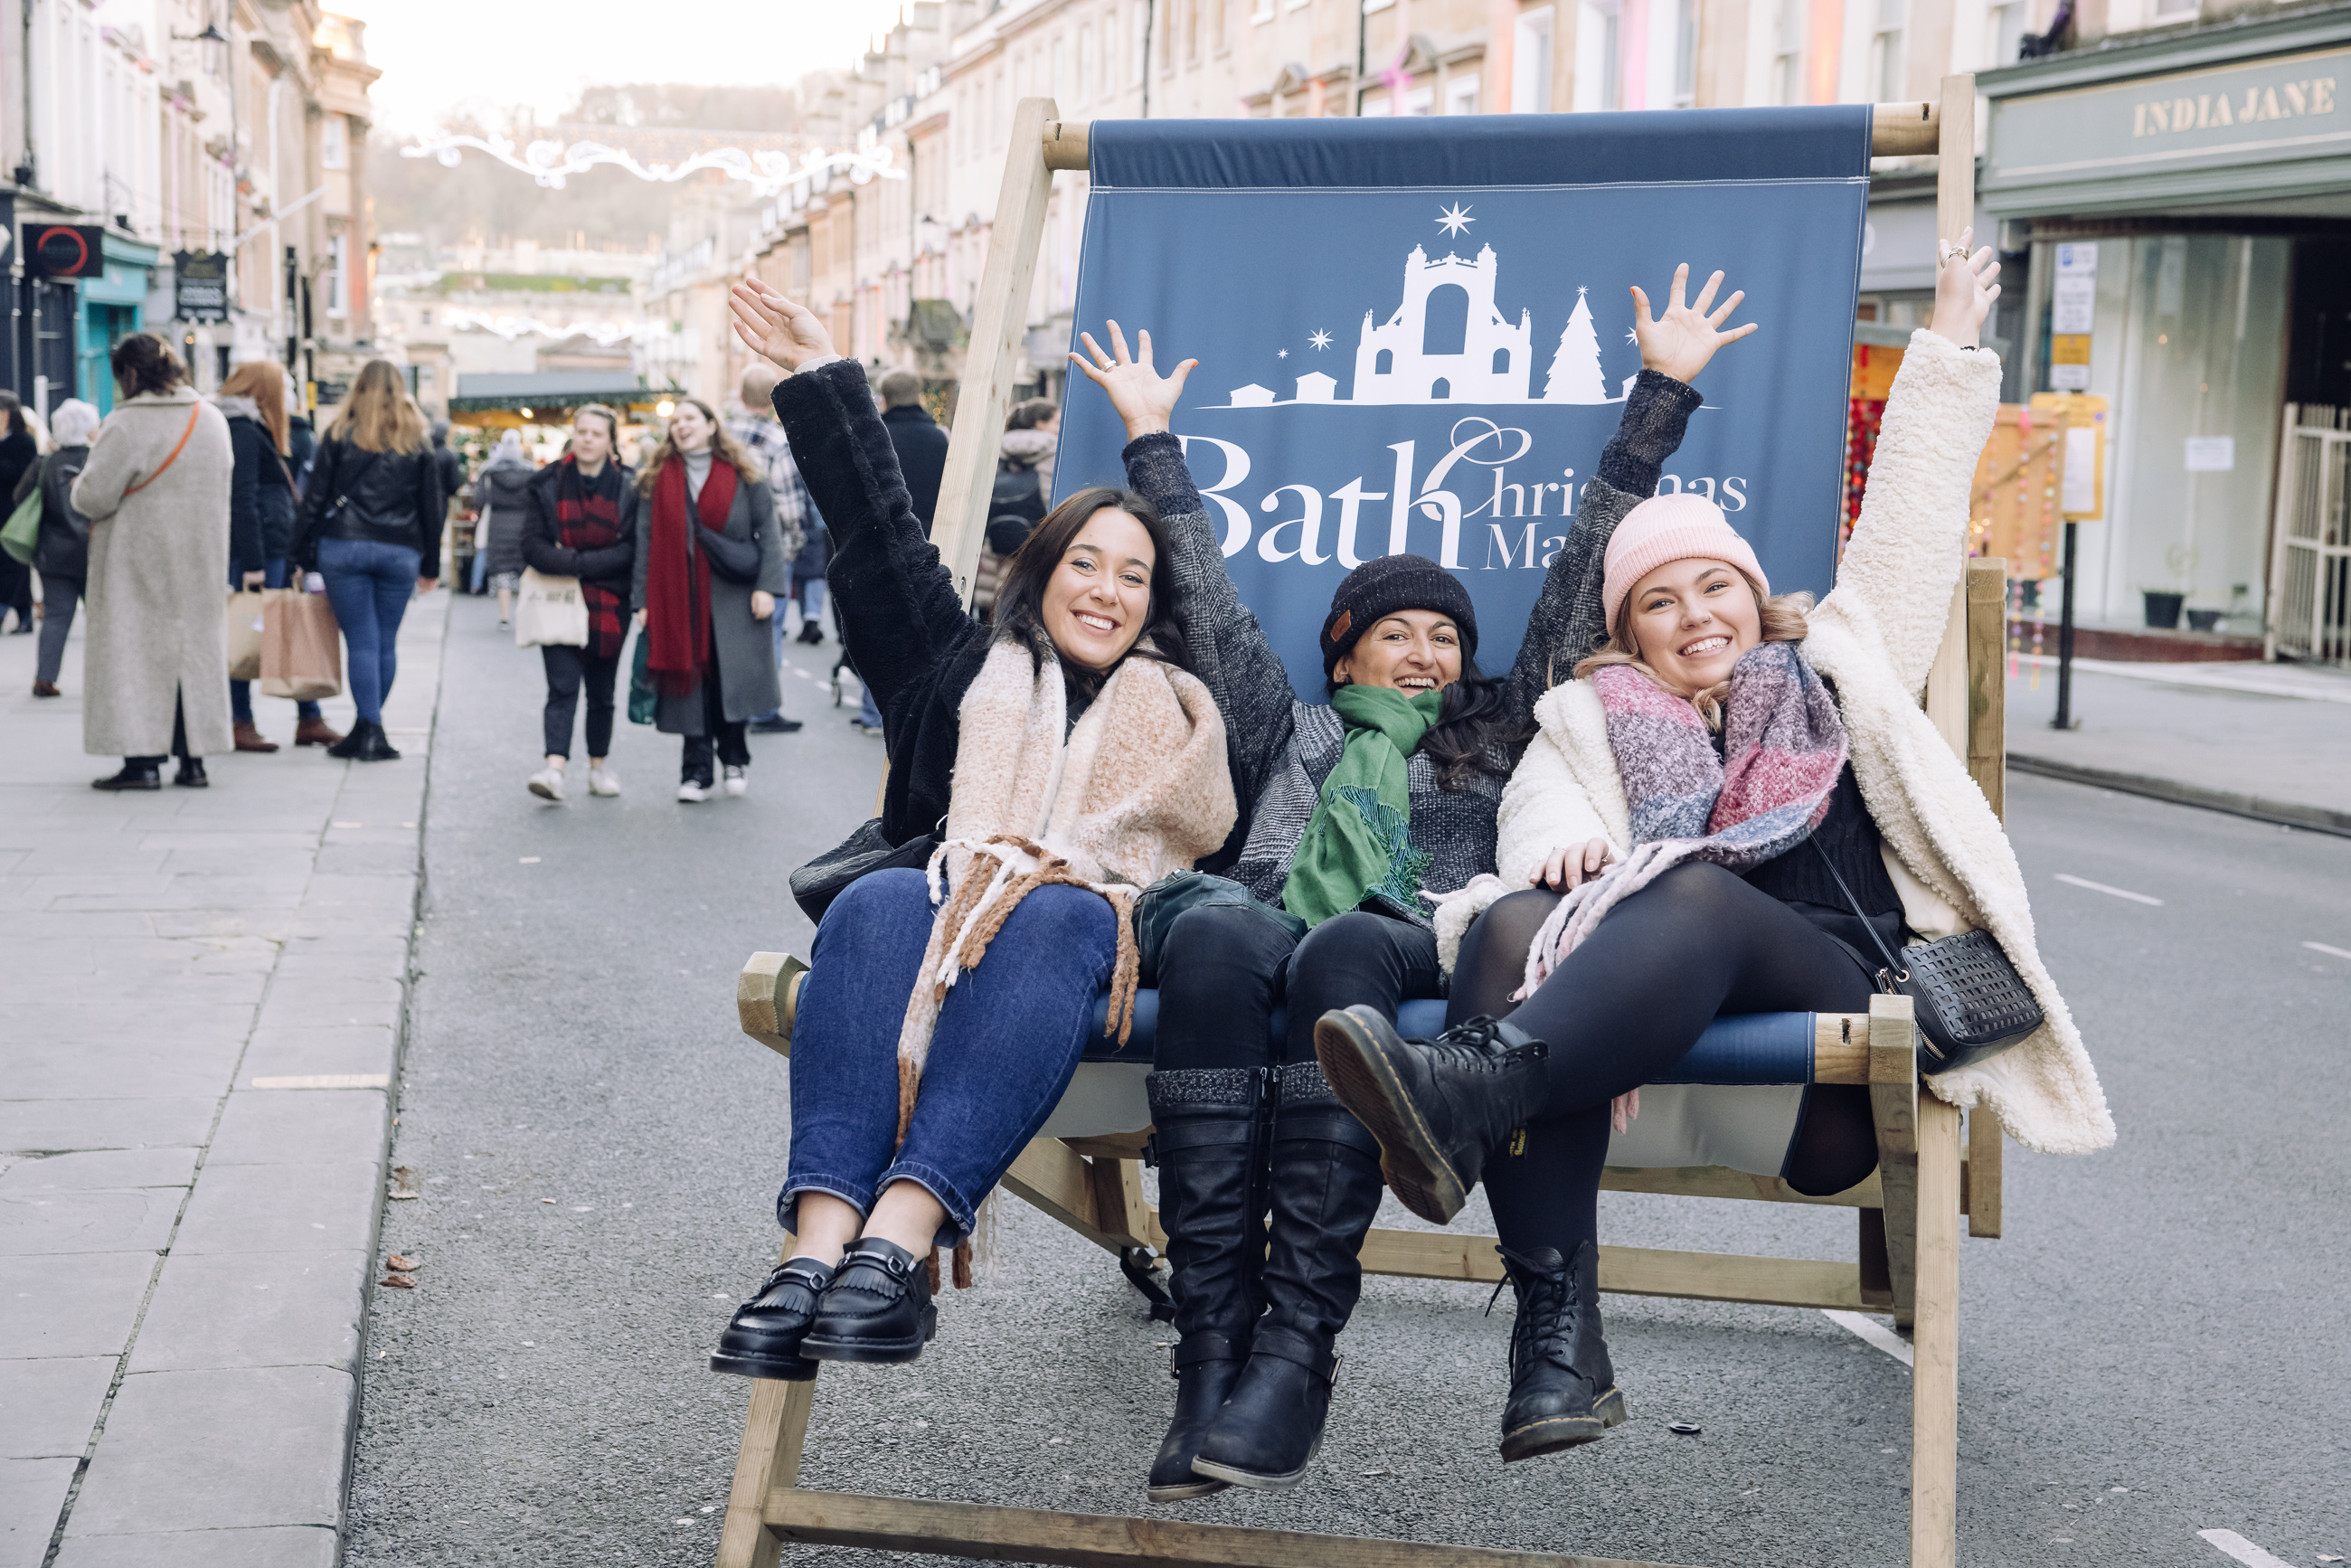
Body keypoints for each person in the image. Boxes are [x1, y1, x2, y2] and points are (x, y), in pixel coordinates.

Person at [1311, 236, 2115, 1466]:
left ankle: (1471, 1090)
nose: (1696, 618)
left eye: (1714, 589)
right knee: (1520, 920)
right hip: (1641, 1027)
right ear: (1627, 629)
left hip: (1839, 1016)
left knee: (1688, 885)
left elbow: (1907, 520)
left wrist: (1948, 342)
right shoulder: (1591, 711)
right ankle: (1557, 1341)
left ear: (1754, 593)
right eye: (1660, 602)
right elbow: (1538, 822)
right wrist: (1575, 848)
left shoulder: (1837, 662)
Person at [1062, 266, 1753, 1500]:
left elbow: (1577, 574)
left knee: (1340, 955)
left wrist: (1662, 395)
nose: (1429, 651)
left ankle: (1295, 1349)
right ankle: (1210, 1347)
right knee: (1221, 932)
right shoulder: (1293, 727)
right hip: (1262, 932)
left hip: (1418, 943)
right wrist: (1151, 441)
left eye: (1445, 634)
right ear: (1344, 651)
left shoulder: (1496, 727)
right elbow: (1209, 600)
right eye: (1399, 632)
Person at [707, 274, 1234, 1384]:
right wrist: (818, 372)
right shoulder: (962, 672)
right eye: (1081, 564)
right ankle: (812, 1259)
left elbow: (1213, 608)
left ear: (1157, 601)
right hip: (943, 915)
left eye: (1132, 576)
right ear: (1037, 578)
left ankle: (897, 1245)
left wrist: (1152, 443)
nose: (1104, 590)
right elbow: (872, 533)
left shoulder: (1191, 700)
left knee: (1048, 912)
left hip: (1105, 946)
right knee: (879, 898)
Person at [69, 334, 235, 790]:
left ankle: (141, 762)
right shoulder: (211, 419)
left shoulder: (125, 425)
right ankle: (194, 761)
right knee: (192, 658)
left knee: (136, 657)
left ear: (132, 374)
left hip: (136, 563)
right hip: (200, 560)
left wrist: (76, 486)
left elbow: (93, 496)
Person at [628, 395, 788, 801]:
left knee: (727, 679)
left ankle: (733, 758)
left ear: (711, 425)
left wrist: (767, 587)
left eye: (690, 419)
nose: (681, 426)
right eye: (676, 422)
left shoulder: (742, 472)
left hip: (734, 596)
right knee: (689, 681)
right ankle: (695, 772)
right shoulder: (658, 477)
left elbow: (768, 532)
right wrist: (641, 600)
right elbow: (644, 541)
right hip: (677, 598)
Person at [290, 359, 443, 762]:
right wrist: (432, 566)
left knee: (360, 639)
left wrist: (299, 551)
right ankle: (370, 728)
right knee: (385, 641)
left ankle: (368, 728)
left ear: (358, 387)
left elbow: (315, 499)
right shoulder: (418, 439)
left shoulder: (339, 434)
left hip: (344, 547)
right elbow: (433, 507)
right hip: (401, 550)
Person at [219, 361, 338, 752]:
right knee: (248, 632)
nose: (288, 394)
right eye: (283, 386)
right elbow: (243, 498)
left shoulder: (254, 428)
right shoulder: (242, 431)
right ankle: (241, 720)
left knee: (289, 625)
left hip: (275, 544)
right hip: (260, 549)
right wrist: (252, 562)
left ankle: (309, 717)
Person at [520, 404, 637, 801]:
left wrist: (574, 562)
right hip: (559, 599)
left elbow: (632, 550)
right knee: (562, 686)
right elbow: (532, 546)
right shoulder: (546, 482)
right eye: (582, 431)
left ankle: (598, 767)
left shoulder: (630, 487)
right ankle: (554, 770)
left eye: (596, 433)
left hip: (610, 603)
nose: (587, 438)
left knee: (602, 692)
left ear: (610, 442)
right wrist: (586, 565)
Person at [725, 362, 812, 735]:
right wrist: (791, 547)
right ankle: (762, 708)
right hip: (767, 546)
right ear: (773, 400)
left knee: (729, 625)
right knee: (769, 628)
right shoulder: (779, 441)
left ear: (742, 396)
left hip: (726, 544)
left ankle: (730, 703)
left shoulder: (723, 436)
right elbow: (789, 502)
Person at [17, 399, 100, 698]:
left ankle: (45, 678)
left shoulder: (45, 463)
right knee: (102, 618)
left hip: (54, 554)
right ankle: (105, 680)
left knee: (55, 616)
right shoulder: (99, 459)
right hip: (95, 552)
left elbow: (20, 497)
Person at [974, 396, 1057, 618]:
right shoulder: (1054, 450)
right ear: (1040, 423)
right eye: (1056, 423)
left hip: (994, 540)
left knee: (988, 612)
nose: (1059, 428)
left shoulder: (994, 446)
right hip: (1036, 540)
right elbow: (1053, 502)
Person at [475, 430, 536, 626]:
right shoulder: (529, 472)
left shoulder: (489, 471)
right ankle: (524, 614)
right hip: (522, 524)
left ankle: (504, 616)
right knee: (523, 569)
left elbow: (479, 500)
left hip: (498, 524)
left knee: (502, 570)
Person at [876, 368, 949, 532]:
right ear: (919, 398)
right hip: (932, 533)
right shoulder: (940, 437)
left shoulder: (875, 439)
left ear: (885, 400)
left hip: (888, 535)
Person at [0, 391, 39, 633]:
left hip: (14, 512)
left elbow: (24, 476)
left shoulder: (24, 441)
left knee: (13, 562)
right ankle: (25, 615)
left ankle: (7, 610)